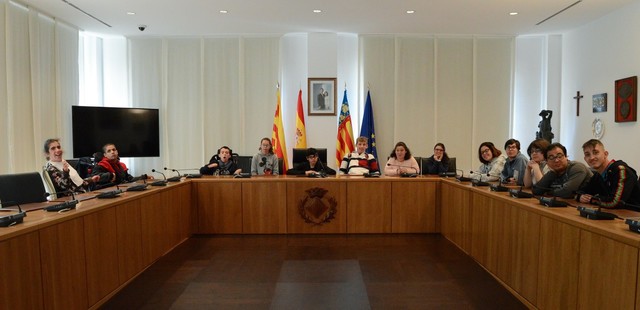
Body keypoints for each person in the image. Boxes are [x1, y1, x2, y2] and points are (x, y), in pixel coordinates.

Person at [577, 139, 640, 210]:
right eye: (587, 155)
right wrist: (580, 197)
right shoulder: (598, 175)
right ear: (585, 159)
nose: (591, 157)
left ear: (605, 154)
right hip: (614, 214)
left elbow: (615, 202)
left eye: (596, 152)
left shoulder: (621, 170)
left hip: (633, 216)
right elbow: (580, 192)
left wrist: (592, 199)